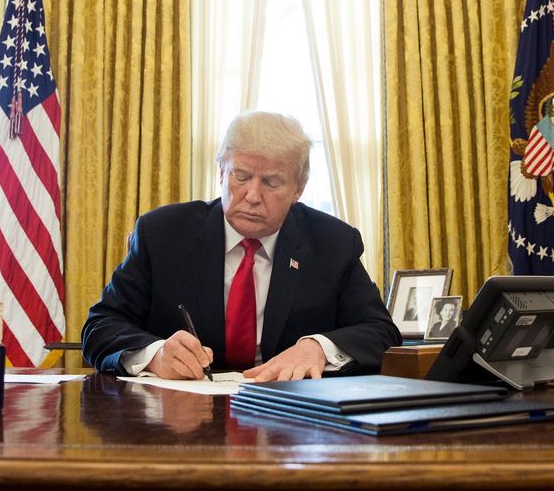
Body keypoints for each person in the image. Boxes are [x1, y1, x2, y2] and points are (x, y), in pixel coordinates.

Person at [81, 111, 401, 381]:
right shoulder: (162, 234)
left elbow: (380, 332)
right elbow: (101, 326)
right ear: (221, 171)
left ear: (299, 188)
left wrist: (318, 347)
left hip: (289, 423)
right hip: (179, 421)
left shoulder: (332, 243)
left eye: (271, 182)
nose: (252, 195)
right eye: (241, 176)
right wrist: (155, 355)